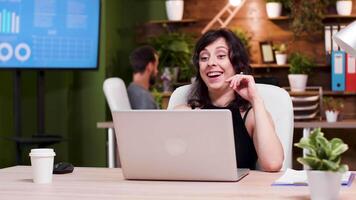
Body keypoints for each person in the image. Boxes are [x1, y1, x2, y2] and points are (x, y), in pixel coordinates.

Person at [175, 29, 284, 172]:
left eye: (221, 56)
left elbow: (273, 163)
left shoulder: (251, 116)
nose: (211, 63)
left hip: (239, 192)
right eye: (204, 58)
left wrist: (256, 99)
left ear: (237, 64)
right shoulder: (184, 113)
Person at [127, 45, 159, 109]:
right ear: (150, 66)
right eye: (156, 67)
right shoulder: (145, 99)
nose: (157, 71)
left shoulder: (130, 90)